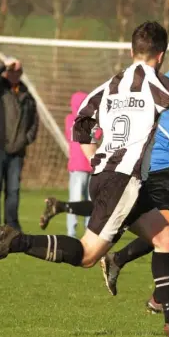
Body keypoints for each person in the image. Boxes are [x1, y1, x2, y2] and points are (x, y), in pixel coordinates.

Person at [0, 21, 169, 337]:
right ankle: (15, 241)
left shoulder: (109, 86)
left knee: (166, 239)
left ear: (132, 52)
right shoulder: (159, 83)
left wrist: (96, 160)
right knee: (89, 255)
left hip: (108, 175)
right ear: (161, 56)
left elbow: (82, 122)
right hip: (124, 181)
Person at [38, 32, 169, 315]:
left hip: (131, 169)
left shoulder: (122, 84)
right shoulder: (165, 82)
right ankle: (157, 297)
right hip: (155, 166)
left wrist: (93, 156)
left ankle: (167, 308)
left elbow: (83, 122)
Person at [0, 57, 39, 235]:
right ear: (7, 71)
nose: (15, 73)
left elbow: (35, 122)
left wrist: (26, 139)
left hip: (17, 150)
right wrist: (3, 64)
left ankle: (12, 225)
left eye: (18, 71)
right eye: (12, 70)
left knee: (13, 190)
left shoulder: (26, 93)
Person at [65, 91, 93, 237]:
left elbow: (68, 135)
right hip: (89, 164)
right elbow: (98, 134)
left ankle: (71, 232)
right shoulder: (90, 121)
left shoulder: (70, 119)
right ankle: (89, 230)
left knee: (75, 200)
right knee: (89, 200)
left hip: (76, 167)